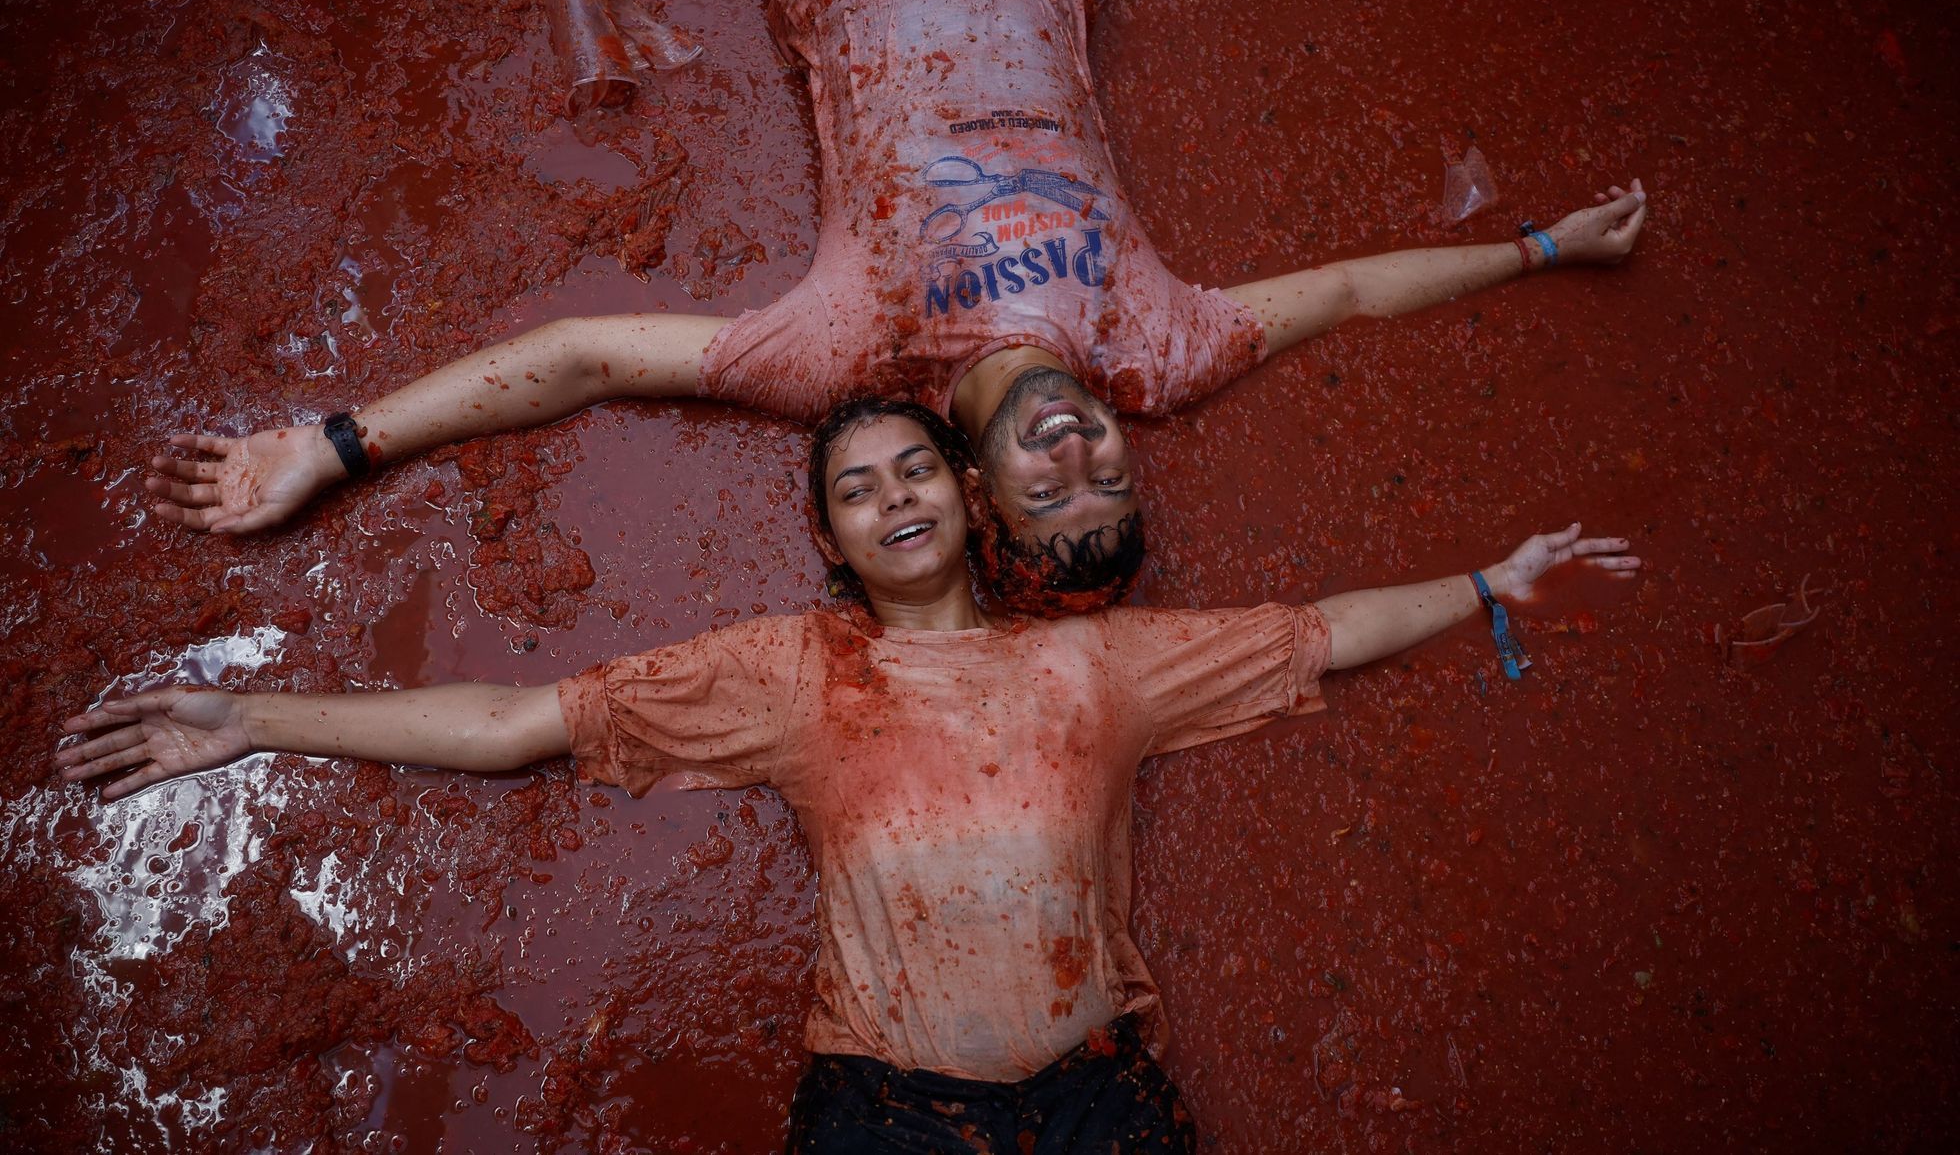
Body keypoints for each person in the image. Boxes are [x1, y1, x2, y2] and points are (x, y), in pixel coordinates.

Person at [64, 398, 1641, 1151]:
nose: (892, 501)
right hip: (880, 1115)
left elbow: (1318, 631)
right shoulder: (788, 671)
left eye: (913, 473)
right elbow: (513, 721)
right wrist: (262, 716)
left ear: (966, 496)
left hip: (1103, 1105)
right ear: (830, 538)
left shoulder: (1101, 664)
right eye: (855, 491)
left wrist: (1489, 583)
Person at [141, 0, 1650, 610]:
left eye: (1049, 491)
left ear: (986, 503)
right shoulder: (1154, 343)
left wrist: (333, 444)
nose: (1078, 454)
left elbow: (587, 356)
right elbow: (1357, 290)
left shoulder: (852, 354)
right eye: (1102, 474)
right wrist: (1540, 248)